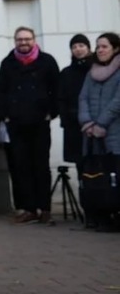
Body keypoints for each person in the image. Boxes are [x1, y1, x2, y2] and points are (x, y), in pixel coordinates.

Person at [0, 27, 60, 225]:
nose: (23, 43)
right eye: (19, 39)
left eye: (27, 39)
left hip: (40, 122)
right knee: (21, 167)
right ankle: (28, 209)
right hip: (16, 123)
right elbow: (1, 92)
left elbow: (56, 90)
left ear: (34, 40)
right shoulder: (7, 63)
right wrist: (5, 115)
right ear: (15, 41)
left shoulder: (47, 61)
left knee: (41, 166)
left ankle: (45, 208)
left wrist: (51, 112)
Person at [78, 32, 120, 232]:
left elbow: (117, 102)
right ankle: (102, 215)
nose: (100, 50)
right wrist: (87, 122)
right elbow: (83, 98)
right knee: (99, 177)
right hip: (93, 135)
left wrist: (102, 123)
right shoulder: (91, 72)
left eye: (104, 46)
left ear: (115, 49)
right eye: (98, 46)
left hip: (114, 132)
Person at [58, 34, 93, 174]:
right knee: (81, 164)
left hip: (95, 123)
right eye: (74, 47)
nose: (78, 49)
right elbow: (60, 98)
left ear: (88, 48)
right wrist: (65, 119)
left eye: (81, 46)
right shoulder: (66, 73)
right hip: (74, 124)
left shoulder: (97, 69)